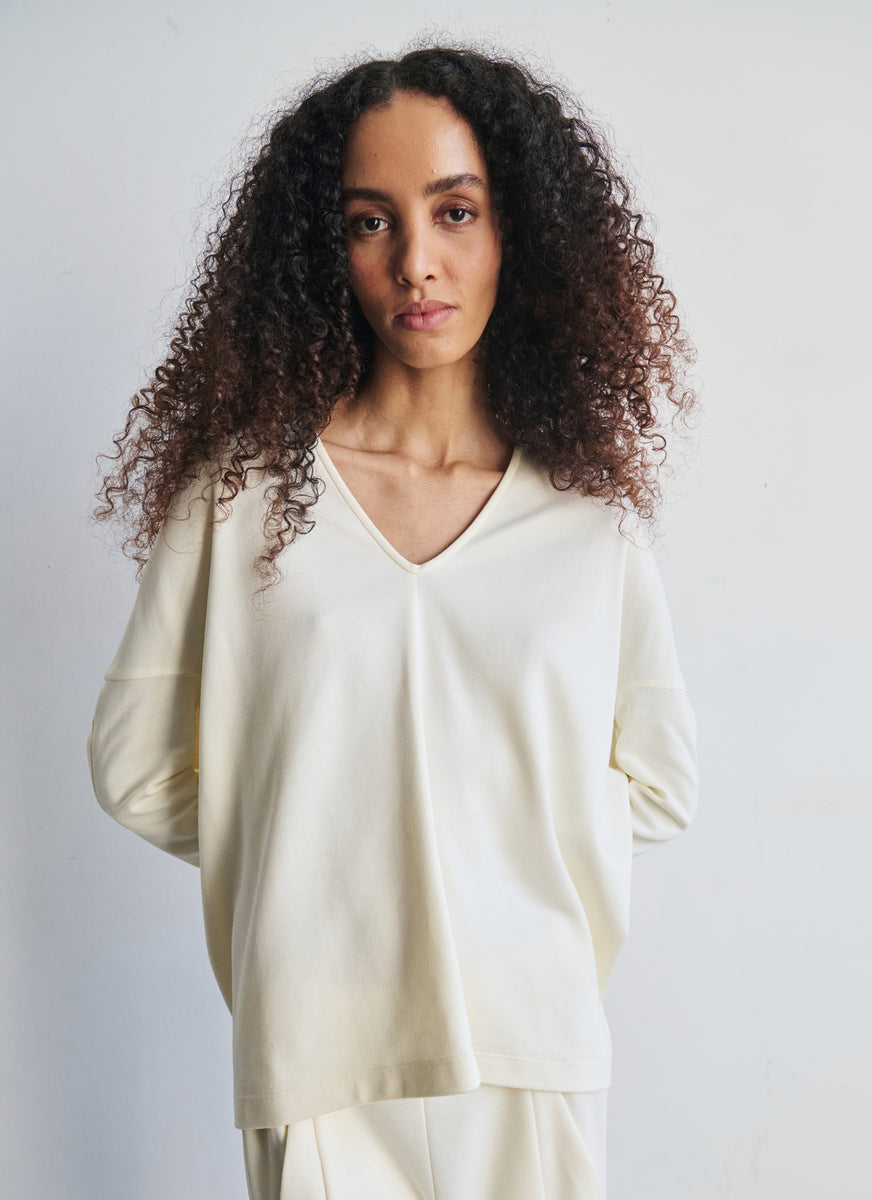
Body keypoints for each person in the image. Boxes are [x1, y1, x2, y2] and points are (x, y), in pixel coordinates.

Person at [87, 43, 699, 1200]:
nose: (418, 261)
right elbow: (133, 763)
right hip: (317, 1044)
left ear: (518, 230)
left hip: (532, 1048)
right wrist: (313, 856)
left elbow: (661, 779)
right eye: (371, 222)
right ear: (328, 251)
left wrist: (492, 853)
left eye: (455, 210)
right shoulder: (241, 502)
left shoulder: (585, 524)